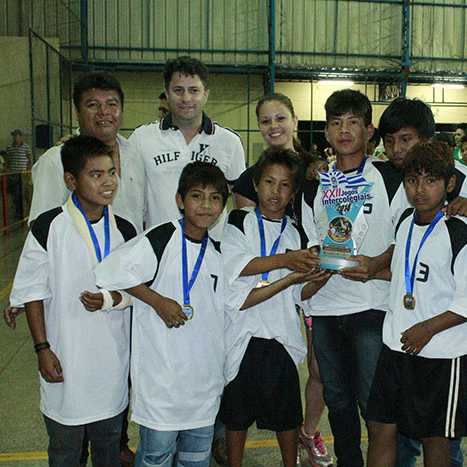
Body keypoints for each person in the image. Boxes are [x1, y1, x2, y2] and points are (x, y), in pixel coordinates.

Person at [9, 135, 137, 467]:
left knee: (109, 444)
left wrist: (111, 299)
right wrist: (42, 348)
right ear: (70, 181)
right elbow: (32, 291)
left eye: (111, 172)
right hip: (64, 358)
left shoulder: (126, 230)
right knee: (65, 449)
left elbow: (137, 290)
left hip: (110, 362)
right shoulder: (49, 227)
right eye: (96, 175)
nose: (108, 182)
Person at [94, 161, 229, 467]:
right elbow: (110, 271)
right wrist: (156, 300)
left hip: (203, 382)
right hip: (162, 380)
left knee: (196, 459)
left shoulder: (220, 250)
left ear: (223, 204)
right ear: (180, 200)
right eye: (197, 196)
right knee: (155, 456)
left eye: (215, 198)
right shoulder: (161, 238)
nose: (206, 206)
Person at [300, 89, 408, 467]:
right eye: (335, 123)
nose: (344, 130)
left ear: (369, 131)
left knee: (373, 404)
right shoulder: (313, 183)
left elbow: (409, 238)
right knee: (338, 402)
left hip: (372, 306)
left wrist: (377, 264)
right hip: (326, 308)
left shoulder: (392, 178)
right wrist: (317, 266)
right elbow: (311, 240)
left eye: (353, 122)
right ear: (326, 133)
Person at [364, 142, 467, 467]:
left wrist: (428, 328)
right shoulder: (405, 221)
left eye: (430, 180)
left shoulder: (463, 232)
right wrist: (370, 271)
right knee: (380, 426)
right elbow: (409, 276)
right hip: (397, 344)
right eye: (412, 180)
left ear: (448, 184)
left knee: (435, 437)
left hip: (441, 352)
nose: (420, 189)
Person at [230, 92, 333, 467]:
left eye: (280, 119)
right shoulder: (242, 205)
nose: (274, 127)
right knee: (238, 404)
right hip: (252, 313)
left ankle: (308, 435)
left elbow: (301, 286)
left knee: (312, 372)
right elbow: (245, 258)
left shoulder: (317, 168)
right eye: (266, 120)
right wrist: (290, 267)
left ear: (293, 120)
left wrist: (318, 274)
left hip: (294, 303)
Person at [129, 55, 246, 232]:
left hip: (211, 253)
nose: (186, 98)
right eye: (178, 90)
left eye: (193, 91)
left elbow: (241, 205)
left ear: (206, 95)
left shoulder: (229, 142)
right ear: (167, 94)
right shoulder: (141, 138)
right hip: (159, 251)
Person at [27, 71, 146, 233]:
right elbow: (42, 229)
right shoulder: (56, 161)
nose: (104, 111)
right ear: (77, 113)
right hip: (81, 257)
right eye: (93, 105)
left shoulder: (135, 156)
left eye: (112, 104)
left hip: (134, 256)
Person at [378, 97, 467, 223]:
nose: (396, 149)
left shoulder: (458, 178)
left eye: (405, 140)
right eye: (389, 141)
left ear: (428, 139)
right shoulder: (383, 176)